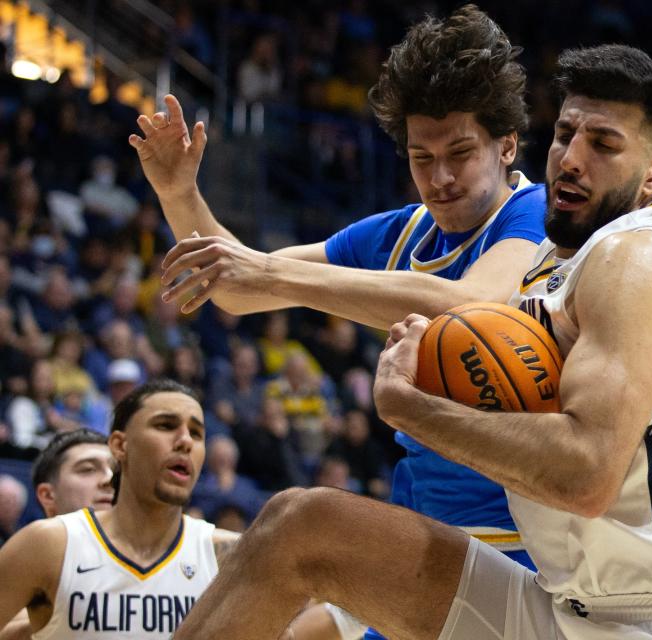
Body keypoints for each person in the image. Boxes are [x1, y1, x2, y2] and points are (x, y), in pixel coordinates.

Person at [171, 44, 652, 640]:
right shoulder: (551, 262)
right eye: (564, 135)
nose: (571, 159)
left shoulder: (639, 251)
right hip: (563, 604)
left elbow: (585, 474)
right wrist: (179, 196)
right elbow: (238, 279)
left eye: (603, 145)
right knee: (296, 526)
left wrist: (412, 409)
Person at [133, 6, 545, 639]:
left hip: (526, 550)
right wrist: (178, 195)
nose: (439, 177)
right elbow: (238, 288)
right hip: (428, 534)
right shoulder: (401, 232)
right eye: (420, 156)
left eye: (460, 153)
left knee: (298, 525)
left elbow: (470, 304)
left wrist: (277, 275)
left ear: (507, 144)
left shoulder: (540, 214)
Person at [0, 380, 240, 638]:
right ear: (119, 445)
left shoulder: (232, 556)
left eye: (196, 433)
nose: (185, 441)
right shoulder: (43, 544)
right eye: (165, 426)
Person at [0, 430, 114, 640]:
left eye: (117, 470)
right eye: (88, 469)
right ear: (48, 495)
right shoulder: (26, 553)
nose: (109, 479)